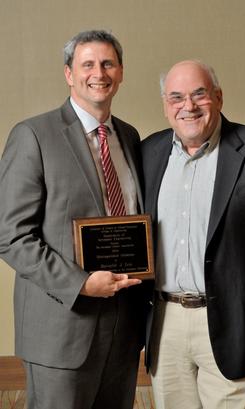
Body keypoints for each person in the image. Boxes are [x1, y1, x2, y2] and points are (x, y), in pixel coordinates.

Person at [0, 30, 147, 409]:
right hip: (61, 328)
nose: (99, 73)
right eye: (87, 64)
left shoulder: (129, 137)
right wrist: (81, 284)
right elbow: (10, 236)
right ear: (69, 73)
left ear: (121, 72)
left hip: (123, 325)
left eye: (108, 63)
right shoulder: (33, 135)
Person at [141, 60, 245, 409]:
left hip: (235, 316)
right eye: (176, 97)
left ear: (219, 97)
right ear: (166, 106)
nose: (189, 106)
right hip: (164, 320)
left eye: (199, 94)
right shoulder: (148, 152)